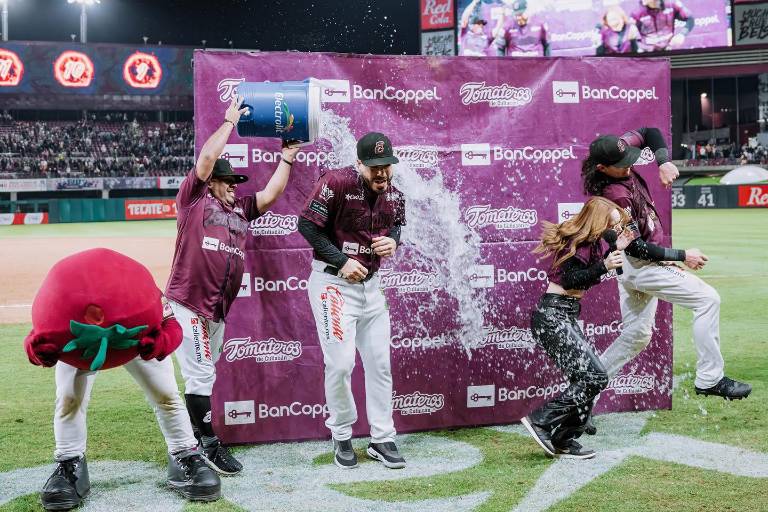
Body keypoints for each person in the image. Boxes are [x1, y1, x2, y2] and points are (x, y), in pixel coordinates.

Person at [164, 95, 300, 475]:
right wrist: (228, 122)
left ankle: (193, 439)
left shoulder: (239, 210)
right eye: (227, 182)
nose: (233, 188)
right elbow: (207, 159)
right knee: (201, 373)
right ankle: (208, 445)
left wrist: (287, 158)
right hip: (188, 302)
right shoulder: (193, 200)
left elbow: (270, 195)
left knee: (204, 374)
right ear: (212, 183)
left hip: (217, 310)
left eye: (235, 183)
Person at [25, 249, 221, 510]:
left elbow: (171, 325)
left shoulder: (140, 291)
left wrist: (160, 343)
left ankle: (184, 453)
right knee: (69, 400)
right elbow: (41, 331)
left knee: (167, 396)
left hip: (136, 339)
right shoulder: (66, 295)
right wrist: (40, 351)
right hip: (81, 345)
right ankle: (69, 463)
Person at [581, 128, 751, 403]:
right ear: (602, 168)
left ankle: (582, 393)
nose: (629, 166)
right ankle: (710, 379)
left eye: (628, 159)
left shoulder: (619, 149)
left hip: (636, 265)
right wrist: (682, 255)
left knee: (636, 335)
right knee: (708, 299)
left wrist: (663, 162)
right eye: (621, 165)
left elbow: (649, 132)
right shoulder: (614, 196)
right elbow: (635, 247)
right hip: (640, 265)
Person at [298, 132, 407, 470]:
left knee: (380, 364)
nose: (382, 173)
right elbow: (307, 226)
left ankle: (382, 437)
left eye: (386, 166)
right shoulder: (336, 182)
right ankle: (342, 433)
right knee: (341, 364)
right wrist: (342, 261)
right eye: (374, 167)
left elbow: (396, 226)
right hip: (333, 284)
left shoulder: (395, 193)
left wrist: (393, 241)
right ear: (359, 163)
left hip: (371, 288)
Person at [521, 197, 632, 460]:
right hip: (553, 315)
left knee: (586, 379)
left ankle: (565, 439)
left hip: (564, 314)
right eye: (612, 225)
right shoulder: (577, 242)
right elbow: (571, 279)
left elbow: (586, 276)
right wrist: (604, 265)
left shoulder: (590, 243)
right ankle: (540, 421)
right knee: (595, 377)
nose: (615, 230)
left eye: (617, 226)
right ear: (599, 222)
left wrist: (613, 252)